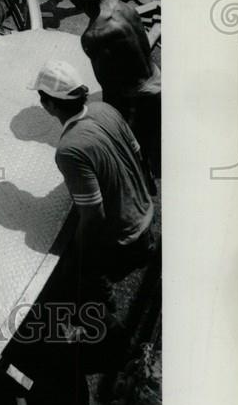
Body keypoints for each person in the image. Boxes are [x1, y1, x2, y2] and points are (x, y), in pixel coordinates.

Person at [31, 59, 158, 312]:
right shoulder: (104, 109)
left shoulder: (68, 150)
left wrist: (78, 255)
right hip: (147, 216)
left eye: (42, 98)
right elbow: (139, 154)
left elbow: (94, 215)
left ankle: (105, 310)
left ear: (50, 105)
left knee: (76, 265)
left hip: (126, 237)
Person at [60, 0, 161, 178]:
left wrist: (109, 125)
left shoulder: (94, 35)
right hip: (157, 82)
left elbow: (111, 90)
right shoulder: (126, 8)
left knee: (132, 162)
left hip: (137, 102)